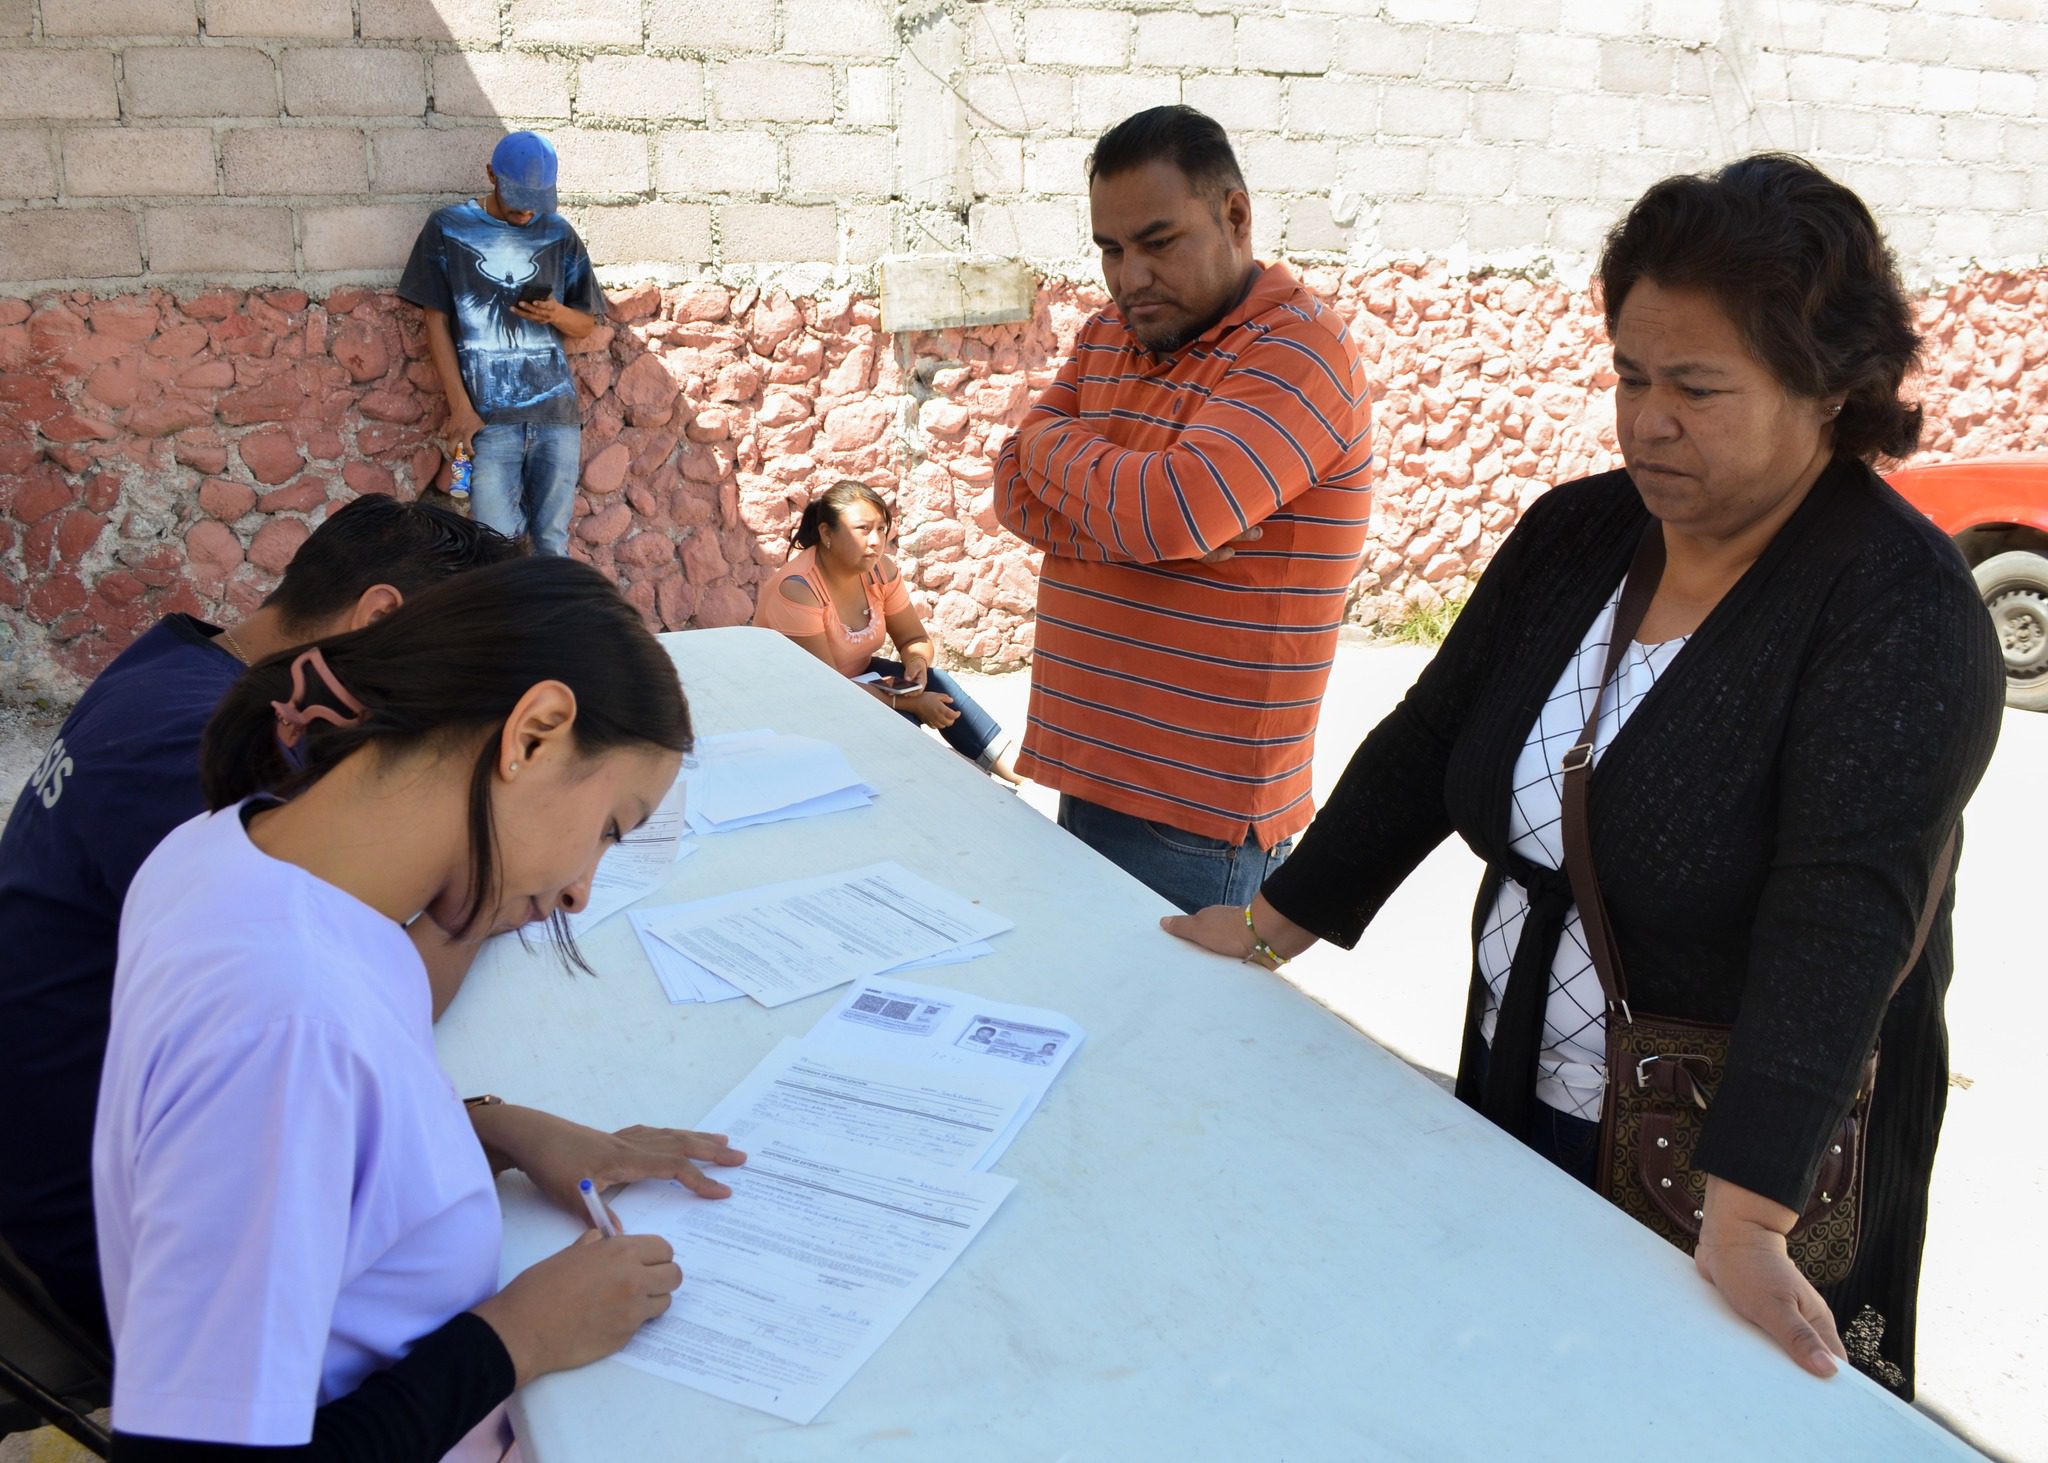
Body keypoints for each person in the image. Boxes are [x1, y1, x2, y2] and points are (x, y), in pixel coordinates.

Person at [1164, 154, 2004, 1396]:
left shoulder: (1897, 613)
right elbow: (1424, 742)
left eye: (1697, 387)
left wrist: (1747, 1215)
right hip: (1521, 1073)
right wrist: (1268, 926)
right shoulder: (1578, 531)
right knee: (1506, 1379)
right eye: (1627, 373)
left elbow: (1842, 918)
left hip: (1734, 1150)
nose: (1644, 419)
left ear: (1829, 390)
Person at [94, 557, 745, 1459]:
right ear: (534, 734)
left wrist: (495, 1129)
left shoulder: (230, 849)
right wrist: (520, 1335)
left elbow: (310, 1155)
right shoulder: (288, 1020)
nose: (583, 889)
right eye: (609, 828)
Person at [0, 495, 521, 1345]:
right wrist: (494, 891)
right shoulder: (197, 753)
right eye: (460, 678)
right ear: (379, 617)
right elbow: (376, 1001)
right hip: (100, 1240)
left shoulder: (181, 661)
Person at [993, 105, 1373, 914]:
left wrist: (1106, 487)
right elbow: (1012, 489)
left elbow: (1169, 513)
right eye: (1110, 250)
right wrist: (1147, 523)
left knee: (1166, 1039)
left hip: (1198, 817)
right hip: (1086, 770)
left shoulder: (1299, 348)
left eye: (1158, 243)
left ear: (1235, 215)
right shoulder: (1109, 331)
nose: (1130, 278)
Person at [398, 130, 604, 557]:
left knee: (552, 543)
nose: (528, 211)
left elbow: (585, 325)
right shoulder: (448, 227)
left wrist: (555, 314)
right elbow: (435, 321)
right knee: (495, 548)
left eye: (537, 200)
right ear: (491, 174)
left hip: (556, 419)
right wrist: (460, 410)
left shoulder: (559, 233)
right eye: (517, 197)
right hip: (488, 422)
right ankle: (504, 627)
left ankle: (550, 627)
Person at [754, 480, 1022, 783]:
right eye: (863, 529)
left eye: (882, 528)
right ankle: (925, 789)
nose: (875, 540)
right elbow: (825, 689)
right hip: (799, 700)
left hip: (854, 680)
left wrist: (917, 664)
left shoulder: (881, 571)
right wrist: (908, 702)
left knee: (935, 682)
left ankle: (1019, 772)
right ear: (827, 533)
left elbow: (914, 639)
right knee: (904, 716)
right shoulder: (798, 590)